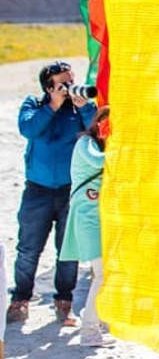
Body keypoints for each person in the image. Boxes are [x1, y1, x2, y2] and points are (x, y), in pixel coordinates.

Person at [9, 61, 97, 326]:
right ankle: (21, 300)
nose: (70, 87)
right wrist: (53, 105)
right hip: (37, 190)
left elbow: (97, 130)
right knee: (28, 249)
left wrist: (84, 107)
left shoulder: (78, 109)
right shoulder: (34, 105)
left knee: (68, 250)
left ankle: (64, 303)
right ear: (49, 86)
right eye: (64, 83)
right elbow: (29, 129)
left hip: (71, 190)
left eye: (72, 80)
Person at [59, 106, 111, 345]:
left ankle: (94, 320)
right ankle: (89, 330)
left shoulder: (106, 147)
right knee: (101, 274)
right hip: (87, 219)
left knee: (105, 274)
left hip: (103, 219)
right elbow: (97, 161)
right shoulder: (85, 144)